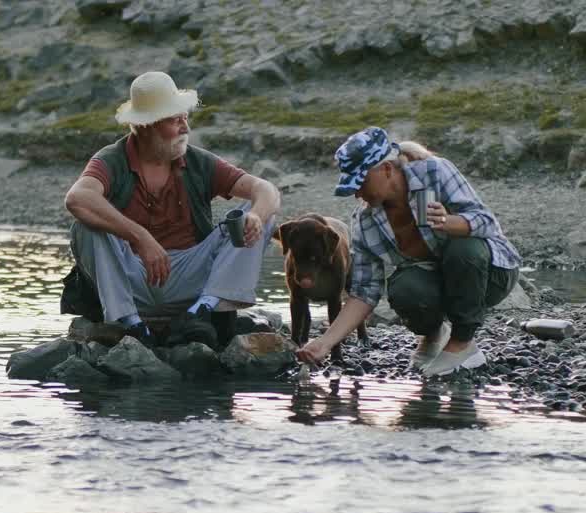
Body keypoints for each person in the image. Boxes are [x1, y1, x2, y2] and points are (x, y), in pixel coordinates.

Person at [63, 71, 281, 348]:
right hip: (132, 279)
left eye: (185, 118)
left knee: (260, 212)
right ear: (146, 126)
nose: (185, 128)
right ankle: (130, 324)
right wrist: (140, 237)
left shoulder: (198, 161)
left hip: (192, 279)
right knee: (85, 227)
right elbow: (77, 198)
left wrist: (256, 216)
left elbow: (266, 189)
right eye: (174, 120)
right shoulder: (111, 160)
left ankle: (201, 311)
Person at [295, 127, 521, 376]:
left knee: (462, 247)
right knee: (404, 289)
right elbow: (364, 293)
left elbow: (487, 222)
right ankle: (435, 333)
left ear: (387, 169)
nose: (357, 193)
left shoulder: (434, 171)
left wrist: (450, 223)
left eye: (362, 182)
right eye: (352, 186)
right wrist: (325, 342)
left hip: (492, 274)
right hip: (441, 279)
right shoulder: (365, 220)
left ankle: (463, 343)